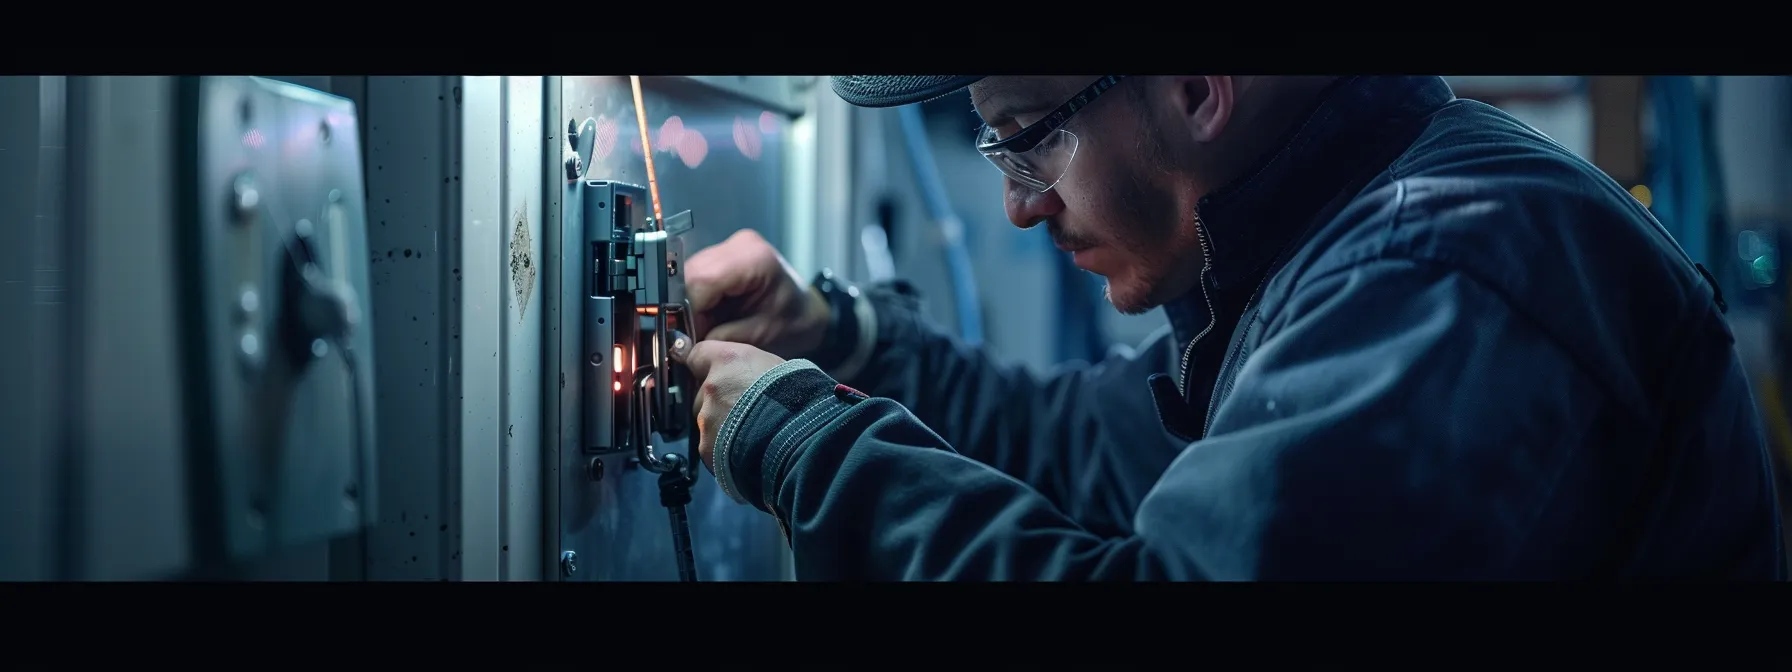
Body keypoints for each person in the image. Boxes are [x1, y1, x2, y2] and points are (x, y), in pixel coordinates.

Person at [669, 75, 1787, 580]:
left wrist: (807, 446)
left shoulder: (1438, 271)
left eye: (1029, 137)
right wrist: (841, 340)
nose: (1018, 203)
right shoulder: (1319, 250)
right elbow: (1078, 446)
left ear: (1200, 86)